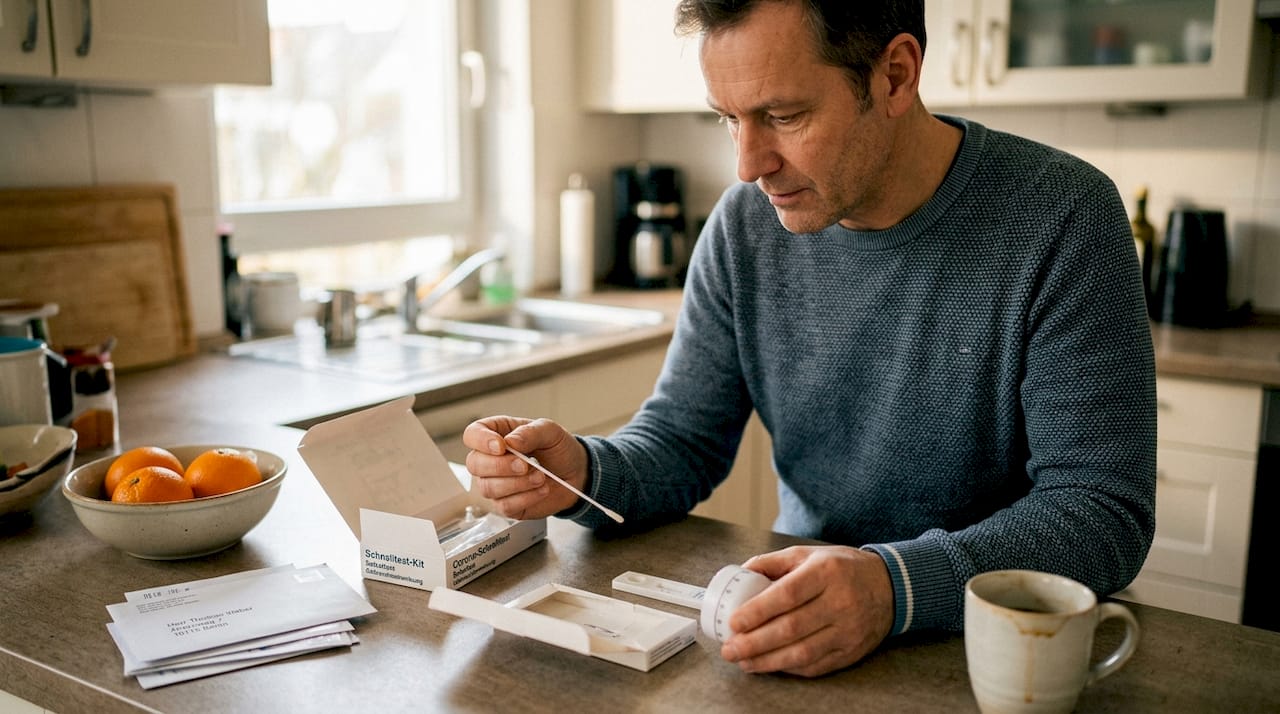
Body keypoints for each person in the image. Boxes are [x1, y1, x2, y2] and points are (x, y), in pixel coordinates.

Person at [463, 0, 1155, 677]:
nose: (747, 164)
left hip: (1001, 647)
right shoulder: (743, 228)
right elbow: (683, 439)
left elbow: (1100, 511)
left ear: (895, 75)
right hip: (798, 627)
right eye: (729, 119)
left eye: (783, 116)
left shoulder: (1063, 215)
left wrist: (893, 586)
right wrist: (582, 471)